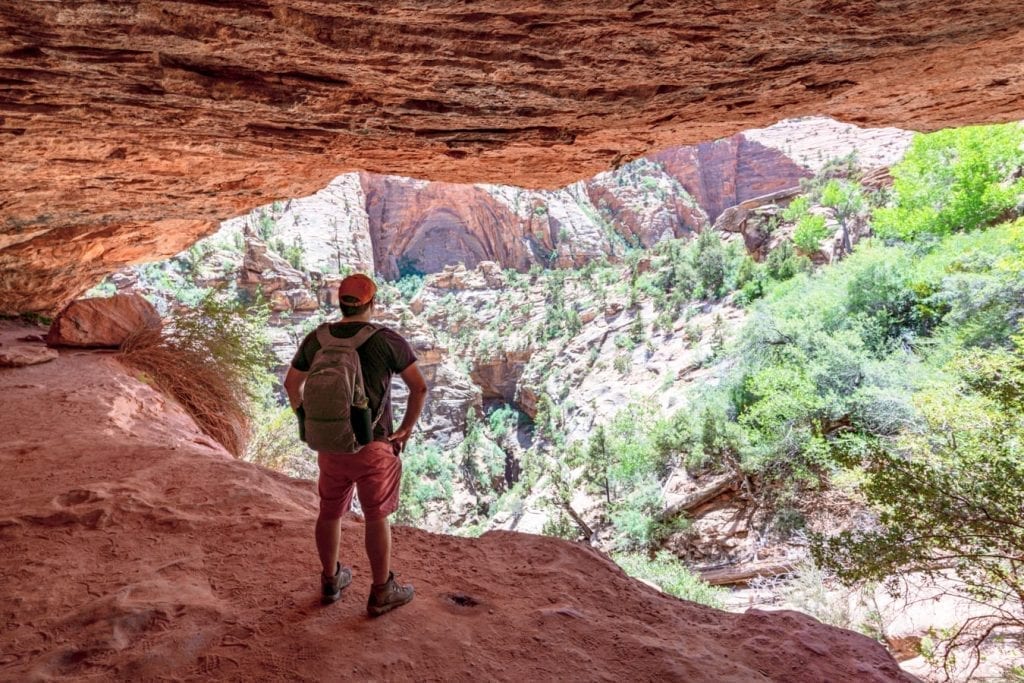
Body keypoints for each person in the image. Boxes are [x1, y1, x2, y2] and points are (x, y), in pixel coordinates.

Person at [284, 273, 428, 615]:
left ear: (341, 303)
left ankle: (331, 580)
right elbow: (418, 388)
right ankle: (381, 590)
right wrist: (405, 429)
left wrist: (309, 421)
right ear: (371, 303)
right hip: (373, 445)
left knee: (329, 511)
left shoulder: (316, 339)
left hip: (330, 444)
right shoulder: (387, 340)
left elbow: (292, 385)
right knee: (376, 516)